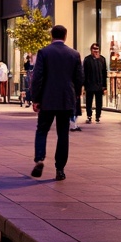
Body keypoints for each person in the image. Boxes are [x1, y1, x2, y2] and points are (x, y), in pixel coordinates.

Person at [29, 25, 84, 181]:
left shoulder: (44, 52)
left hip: (47, 99)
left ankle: (39, 159)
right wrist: (76, 96)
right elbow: (79, 79)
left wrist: (36, 99)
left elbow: (37, 77)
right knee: (63, 134)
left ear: (51, 36)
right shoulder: (74, 54)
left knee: (42, 130)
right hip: (66, 99)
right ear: (65, 36)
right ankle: (60, 169)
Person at [82, 44, 107, 123]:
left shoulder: (102, 59)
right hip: (89, 85)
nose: (96, 50)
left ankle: (98, 116)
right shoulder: (87, 59)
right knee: (89, 101)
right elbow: (84, 73)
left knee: (99, 102)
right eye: (94, 49)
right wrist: (84, 85)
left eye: (97, 49)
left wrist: (104, 86)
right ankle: (89, 115)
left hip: (99, 85)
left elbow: (104, 73)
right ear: (91, 50)